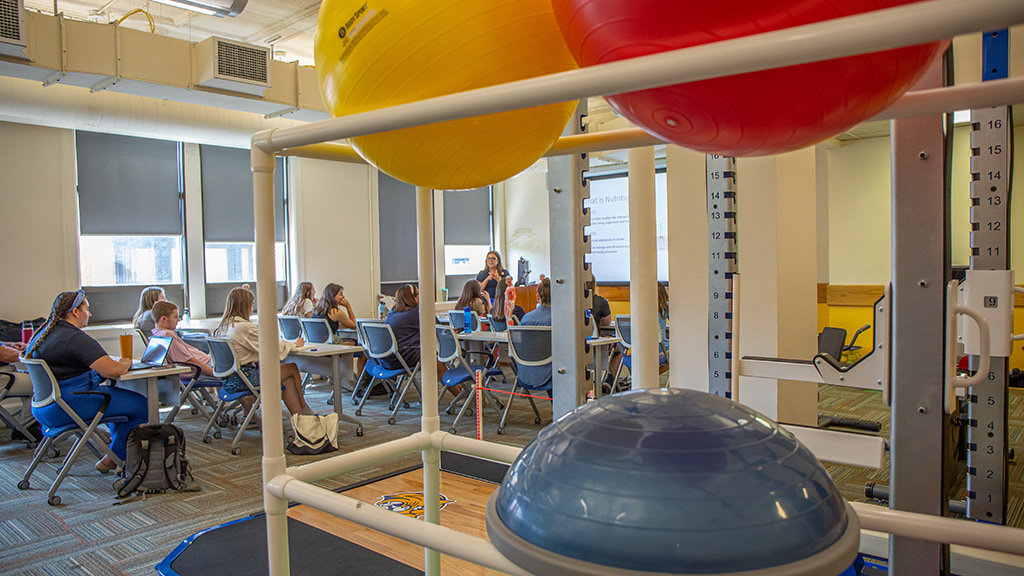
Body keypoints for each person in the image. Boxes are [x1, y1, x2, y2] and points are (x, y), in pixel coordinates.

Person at [23, 290, 147, 474]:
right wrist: (125, 362)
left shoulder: (43, 334)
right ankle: (112, 458)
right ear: (75, 312)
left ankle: (116, 457)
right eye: (87, 309)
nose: (90, 314)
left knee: (120, 405)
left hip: (43, 408)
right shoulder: (74, 337)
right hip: (68, 406)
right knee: (142, 406)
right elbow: (112, 371)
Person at [214, 288, 312, 416]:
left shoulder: (223, 327)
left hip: (229, 378)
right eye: (251, 305)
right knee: (292, 368)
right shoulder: (244, 327)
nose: (251, 309)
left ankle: (299, 417)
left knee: (287, 380)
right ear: (245, 306)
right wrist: (294, 344)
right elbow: (271, 346)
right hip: (244, 379)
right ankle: (304, 409)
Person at [383, 285, 452, 392]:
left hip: (387, 359)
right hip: (404, 358)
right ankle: (459, 394)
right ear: (413, 297)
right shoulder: (418, 312)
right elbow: (440, 329)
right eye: (419, 294)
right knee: (435, 359)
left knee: (431, 355)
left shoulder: (392, 313)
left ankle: (459, 393)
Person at [150, 301, 213, 377]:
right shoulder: (168, 335)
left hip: (205, 362)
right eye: (175, 317)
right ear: (164, 319)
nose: (178, 320)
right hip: (205, 364)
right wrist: (212, 373)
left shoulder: (157, 334)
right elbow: (189, 360)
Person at [516, 277, 552, 393]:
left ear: (537, 297)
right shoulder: (559, 319)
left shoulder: (526, 318)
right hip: (550, 373)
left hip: (525, 372)